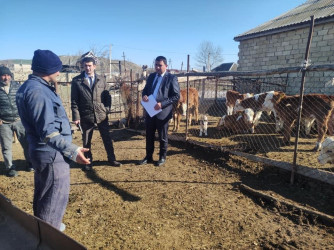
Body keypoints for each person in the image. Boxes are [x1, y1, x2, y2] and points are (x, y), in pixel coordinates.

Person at [16, 49, 90, 231]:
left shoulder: (31, 87)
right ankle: (49, 233)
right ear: (46, 69)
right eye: (57, 68)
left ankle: (44, 226)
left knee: (45, 194)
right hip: (51, 154)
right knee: (54, 196)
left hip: (44, 152)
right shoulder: (38, 92)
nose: (59, 72)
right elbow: (48, 132)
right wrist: (72, 151)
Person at [71, 56, 121, 171]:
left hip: (101, 115)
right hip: (86, 115)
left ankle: (112, 159)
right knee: (86, 141)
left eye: (90, 66)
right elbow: (74, 100)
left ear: (94, 66)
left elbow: (107, 96)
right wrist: (76, 116)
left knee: (107, 138)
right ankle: (87, 161)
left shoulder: (101, 79)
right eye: (85, 66)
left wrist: (106, 109)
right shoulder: (77, 81)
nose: (88, 68)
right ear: (83, 66)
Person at [138, 56, 180, 167]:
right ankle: (148, 156)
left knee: (162, 136)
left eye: (160, 65)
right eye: (156, 65)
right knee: (149, 135)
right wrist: (144, 96)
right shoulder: (151, 76)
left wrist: (162, 104)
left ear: (166, 66)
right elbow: (145, 90)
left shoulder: (171, 78)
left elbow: (176, 96)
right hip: (150, 109)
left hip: (163, 112)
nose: (157, 67)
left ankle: (162, 157)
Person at [0, 66, 32, 177]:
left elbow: (24, 101)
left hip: (19, 120)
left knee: (27, 143)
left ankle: (30, 163)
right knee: (6, 147)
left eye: (8, 75)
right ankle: (10, 168)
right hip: (4, 122)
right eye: (3, 75)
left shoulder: (17, 87)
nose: (6, 77)